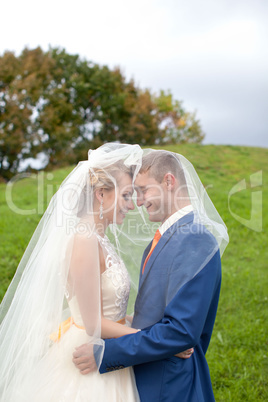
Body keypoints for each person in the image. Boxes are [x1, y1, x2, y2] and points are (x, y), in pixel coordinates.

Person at [73, 149, 229, 402]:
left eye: (143, 190)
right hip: (147, 377)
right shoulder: (165, 238)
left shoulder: (195, 238)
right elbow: (156, 313)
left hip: (169, 386)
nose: (139, 201)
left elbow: (180, 333)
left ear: (169, 182)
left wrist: (106, 353)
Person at [0, 143, 146, 401]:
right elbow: (93, 323)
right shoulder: (84, 239)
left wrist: (137, 321)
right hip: (89, 356)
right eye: (126, 195)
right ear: (101, 193)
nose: (131, 205)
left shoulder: (98, 237)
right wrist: (153, 341)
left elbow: (110, 308)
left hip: (111, 346)